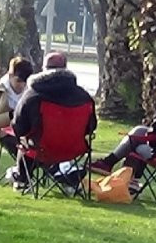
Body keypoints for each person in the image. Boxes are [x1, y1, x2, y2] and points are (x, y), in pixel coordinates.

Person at [89, 71, 156, 188]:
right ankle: (115, 170)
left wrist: (143, 138)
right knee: (139, 131)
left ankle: (124, 181)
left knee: (137, 147)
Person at [11, 52, 97, 191]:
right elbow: (91, 126)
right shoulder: (84, 97)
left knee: (27, 143)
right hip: (74, 149)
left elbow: (19, 126)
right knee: (34, 142)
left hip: (42, 148)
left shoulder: (33, 95)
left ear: (44, 68)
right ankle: (66, 172)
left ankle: (22, 179)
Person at [0, 56, 34, 158]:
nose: (22, 85)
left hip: (31, 136)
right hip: (9, 136)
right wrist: (11, 115)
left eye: (26, 81)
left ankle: (62, 170)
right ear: (10, 75)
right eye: (19, 81)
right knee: (29, 154)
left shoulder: (32, 91)